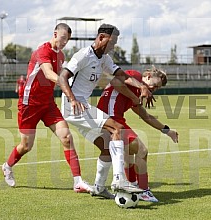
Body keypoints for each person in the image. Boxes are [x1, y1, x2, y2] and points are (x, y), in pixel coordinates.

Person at [58, 23, 151, 196]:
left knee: (107, 146)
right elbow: (62, 78)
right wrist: (72, 99)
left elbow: (122, 76)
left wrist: (142, 86)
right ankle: (119, 179)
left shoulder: (104, 59)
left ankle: (99, 188)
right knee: (116, 127)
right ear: (101, 38)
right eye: (111, 42)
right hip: (74, 107)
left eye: (115, 43)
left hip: (81, 107)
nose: (113, 46)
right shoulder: (83, 55)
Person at [1, 23, 92, 193]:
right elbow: (49, 74)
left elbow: (60, 76)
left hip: (48, 104)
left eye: (67, 40)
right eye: (63, 38)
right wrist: (66, 85)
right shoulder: (43, 51)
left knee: (66, 137)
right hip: (29, 104)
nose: (64, 42)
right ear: (55, 34)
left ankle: (78, 181)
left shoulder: (62, 56)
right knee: (26, 146)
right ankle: (7, 166)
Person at [91, 67, 179, 201]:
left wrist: (167, 131)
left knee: (127, 153)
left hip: (105, 119)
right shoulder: (135, 76)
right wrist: (137, 94)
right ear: (148, 76)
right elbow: (115, 81)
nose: (154, 89)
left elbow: (145, 115)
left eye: (157, 88)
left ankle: (132, 185)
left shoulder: (137, 91)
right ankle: (143, 190)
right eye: (155, 85)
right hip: (110, 118)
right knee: (142, 151)